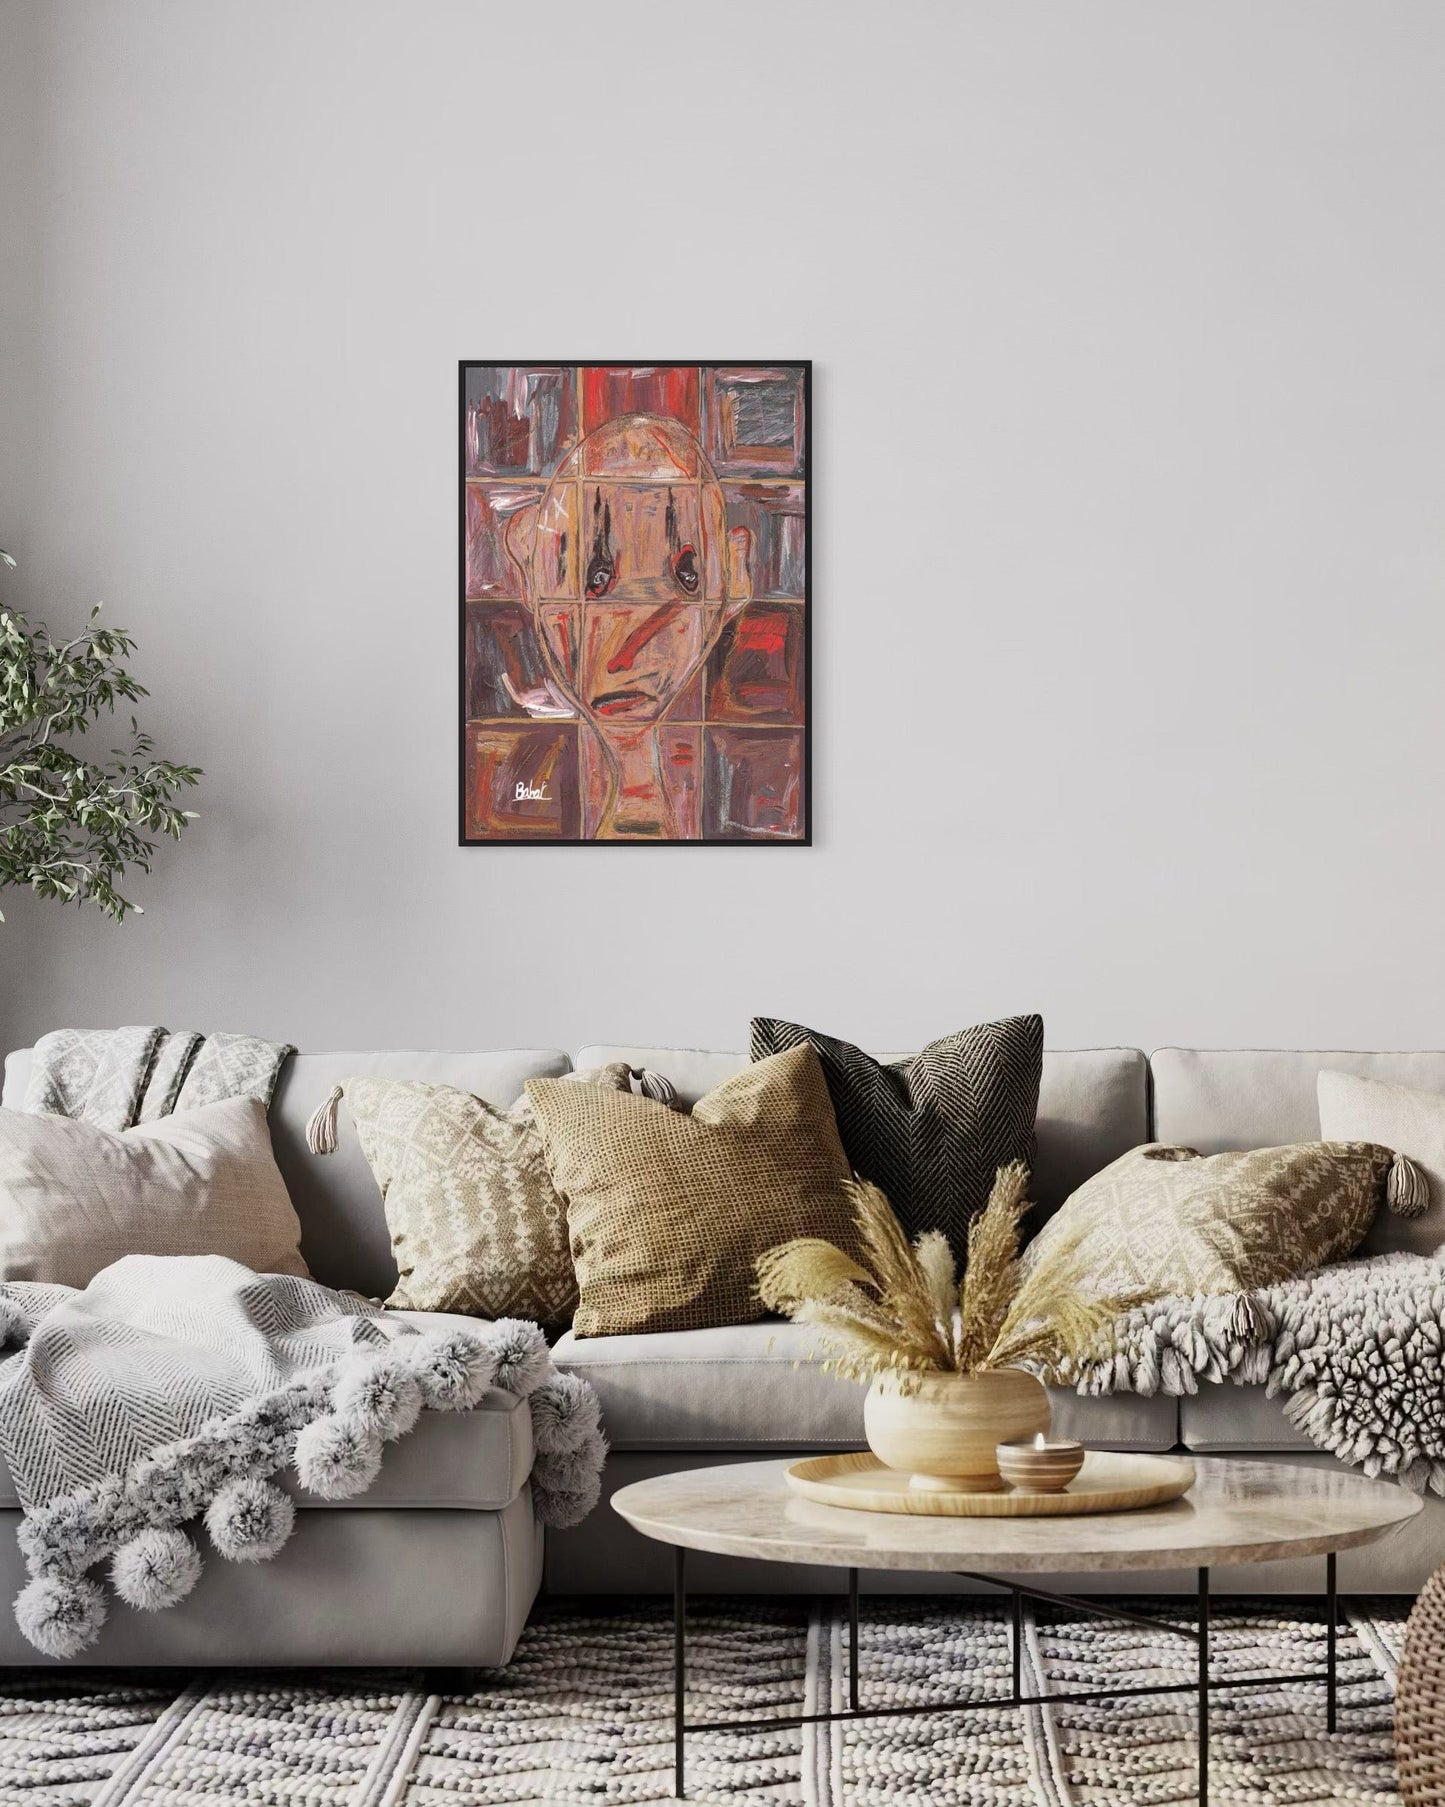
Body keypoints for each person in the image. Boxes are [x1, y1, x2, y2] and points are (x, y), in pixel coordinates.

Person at [504, 414, 751, 839]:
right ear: (531, 572)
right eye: (595, 578)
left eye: (686, 577)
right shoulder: (525, 777)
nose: (628, 653)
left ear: (735, 577)